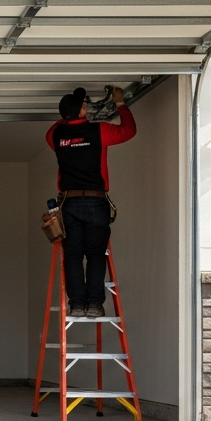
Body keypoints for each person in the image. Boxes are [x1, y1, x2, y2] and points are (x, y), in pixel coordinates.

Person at [45, 86, 136, 317]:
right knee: (96, 254)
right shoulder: (100, 131)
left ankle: (76, 304)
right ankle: (95, 305)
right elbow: (129, 130)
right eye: (84, 105)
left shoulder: (56, 136)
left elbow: (57, 126)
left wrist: (71, 115)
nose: (87, 107)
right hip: (96, 202)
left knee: (73, 254)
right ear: (81, 111)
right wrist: (120, 104)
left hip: (70, 204)